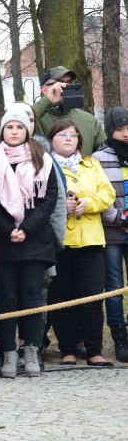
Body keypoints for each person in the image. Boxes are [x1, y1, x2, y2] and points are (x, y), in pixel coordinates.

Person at [0, 107, 58, 378]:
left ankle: (30, 349)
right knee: (6, 299)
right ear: (1, 131)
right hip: (3, 240)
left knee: (31, 297)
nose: (14, 132)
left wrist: (26, 228)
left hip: (34, 239)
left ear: (27, 130)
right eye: (9, 127)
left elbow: (49, 198)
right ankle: (6, 352)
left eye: (19, 127)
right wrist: (8, 231)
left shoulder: (43, 158)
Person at [46, 119, 115, 368]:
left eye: (73, 135)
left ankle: (94, 350)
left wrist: (88, 203)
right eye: (62, 134)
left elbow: (107, 193)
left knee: (93, 297)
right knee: (61, 298)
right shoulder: (45, 164)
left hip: (90, 241)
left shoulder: (91, 163)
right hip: (60, 242)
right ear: (51, 138)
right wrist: (62, 206)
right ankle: (67, 350)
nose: (68, 139)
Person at [94, 108, 128, 362]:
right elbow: (99, 194)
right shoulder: (98, 158)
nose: (125, 134)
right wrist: (120, 219)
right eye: (119, 129)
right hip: (112, 231)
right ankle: (119, 335)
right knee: (114, 286)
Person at [33, 66, 106, 156]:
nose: (66, 86)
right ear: (44, 90)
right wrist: (47, 101)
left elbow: (105, 155)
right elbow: (19, 123)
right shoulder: (36, 119)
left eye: (69, 82)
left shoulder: (90, 121)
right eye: (60, 83)